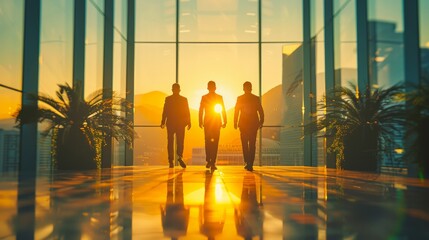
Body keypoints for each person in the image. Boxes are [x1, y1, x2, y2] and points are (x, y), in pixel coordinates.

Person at [234, 81, 264, 171]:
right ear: (251, 88)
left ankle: (247, 162)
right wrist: (261, 122)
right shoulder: (255, 98)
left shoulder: (240, 98)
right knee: (252, 144)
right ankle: (250, 162)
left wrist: (235, 122)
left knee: (245, 144)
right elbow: (260, 111)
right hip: (253, 124)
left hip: (243, 125)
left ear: (243, 88)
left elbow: (236, 111)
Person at [199, 81, 227, 171]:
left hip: (208, 122)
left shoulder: (204, 97)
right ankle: (212, 162)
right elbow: (223, 110)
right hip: (215, 122)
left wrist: (200, 121)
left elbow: (201, 110)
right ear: (215, 87)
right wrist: (224, 120)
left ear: (208, 88)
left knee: (208, 142)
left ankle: (209, 161)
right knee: (214, 142)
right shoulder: (219, 97)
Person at [161, 83, 191, 168]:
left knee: (170, 142)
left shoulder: (168, 99)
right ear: (179, 90)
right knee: (180, 141)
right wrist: (189, 122)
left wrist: (163, 121)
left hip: (171, 123)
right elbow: (187, 112)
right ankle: (179, 157)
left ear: (172, 89)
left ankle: (171, 160)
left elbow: (165, 111)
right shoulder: (184, 99)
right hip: (180, 124)